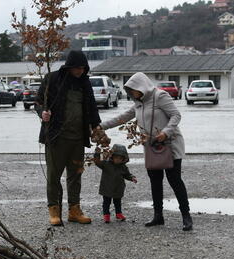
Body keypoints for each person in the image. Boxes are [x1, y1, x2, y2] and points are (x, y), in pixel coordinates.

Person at [98, 72, 193, 231]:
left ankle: (186, 216)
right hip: (151, 147)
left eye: (133, 90)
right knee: (155, 182)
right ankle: (158, 216)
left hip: (170, 145)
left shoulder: (160, 96)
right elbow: (122, 118)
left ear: (141, 86)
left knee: (174, 180)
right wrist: (101, 126)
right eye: (129, 91)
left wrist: (165, 132)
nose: (131, 93)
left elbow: (176, 115)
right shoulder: (138, 103)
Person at [35, 50, 101, 226]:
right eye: (77, 68)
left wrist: (96, 127)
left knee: (75, 175)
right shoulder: (52, 79)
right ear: (69, 66)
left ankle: (74, 210)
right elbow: (38, 101)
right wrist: (42, 113)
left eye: (83, 68)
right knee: (54, 176)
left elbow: (92, 107)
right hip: (56, 137)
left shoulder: (84, 83)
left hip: (78, 138)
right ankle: (54, 211)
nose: (80, 71)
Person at [92, 143, 136, 223]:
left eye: (120, 158)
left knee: (117, 202)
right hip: (107, 188)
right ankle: (106, 215)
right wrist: (97, 154)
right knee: (106, 202)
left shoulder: (123, 167)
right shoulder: (106, 164)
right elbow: (97, 162)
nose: (118, 160)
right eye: (116, 157)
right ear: (112, 157)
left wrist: (132, 177)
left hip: (118, 188)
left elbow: (127, 175)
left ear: (123, 159)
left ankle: (118, 213)